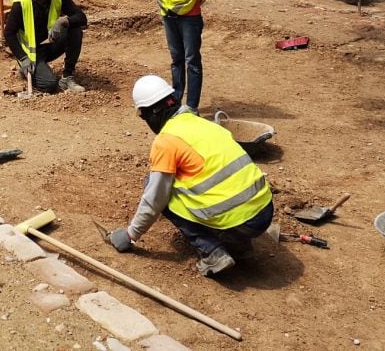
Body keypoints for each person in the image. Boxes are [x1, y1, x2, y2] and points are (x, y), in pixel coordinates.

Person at [108, 75, 273, 277]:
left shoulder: (166, 141)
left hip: (238, 223)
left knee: (157, 187)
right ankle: (241, 247)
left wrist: (130, 235)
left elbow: (154, 200)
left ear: (151, 113)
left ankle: (212, 252)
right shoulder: (204, 124)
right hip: (264, 212)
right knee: (205, 185)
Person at [4, 0, 88, 93]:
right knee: (49, 85)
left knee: (75, 29)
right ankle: (26, 70)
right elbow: (9, 33)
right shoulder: (21, 4)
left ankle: (67, 77)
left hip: (49, 45)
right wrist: (23, 58)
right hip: (31, 55)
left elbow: (82, 18)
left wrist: (63, 21)